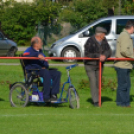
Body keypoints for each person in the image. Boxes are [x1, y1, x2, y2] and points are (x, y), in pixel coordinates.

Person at [23, 36, 61, 102]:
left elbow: (45, 62)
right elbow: (25, 55)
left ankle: (53, 94)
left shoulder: (40, 51)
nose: (42, 44)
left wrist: (45, 65)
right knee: (46, 73)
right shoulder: (29, 50)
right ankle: (46, 96)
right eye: (41, 43)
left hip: (42, 70)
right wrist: (36, 55)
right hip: (34, 71)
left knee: (57, 73)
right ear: (36, 44)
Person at [84, 27, 111, 107]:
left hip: (99, 65)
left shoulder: (104, 41)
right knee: (93, 82)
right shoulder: (90, 41)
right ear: (100, 35)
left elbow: (109, 51)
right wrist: (98, 56)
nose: (104, 35)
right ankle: (96, 101)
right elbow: (88, 54)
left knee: (98, 83)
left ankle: (98, 99)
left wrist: (104, 56)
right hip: (90, 65)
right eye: (104, 34)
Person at [114, 20, 134, 107]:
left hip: (125, 64)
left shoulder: (125, 35)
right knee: (124, 85)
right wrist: (132, 56)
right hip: (123, 64)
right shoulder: (125, 36)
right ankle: (123, 103)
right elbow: (124, 50)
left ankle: (123, 102)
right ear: (132, 27)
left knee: (126, 84)